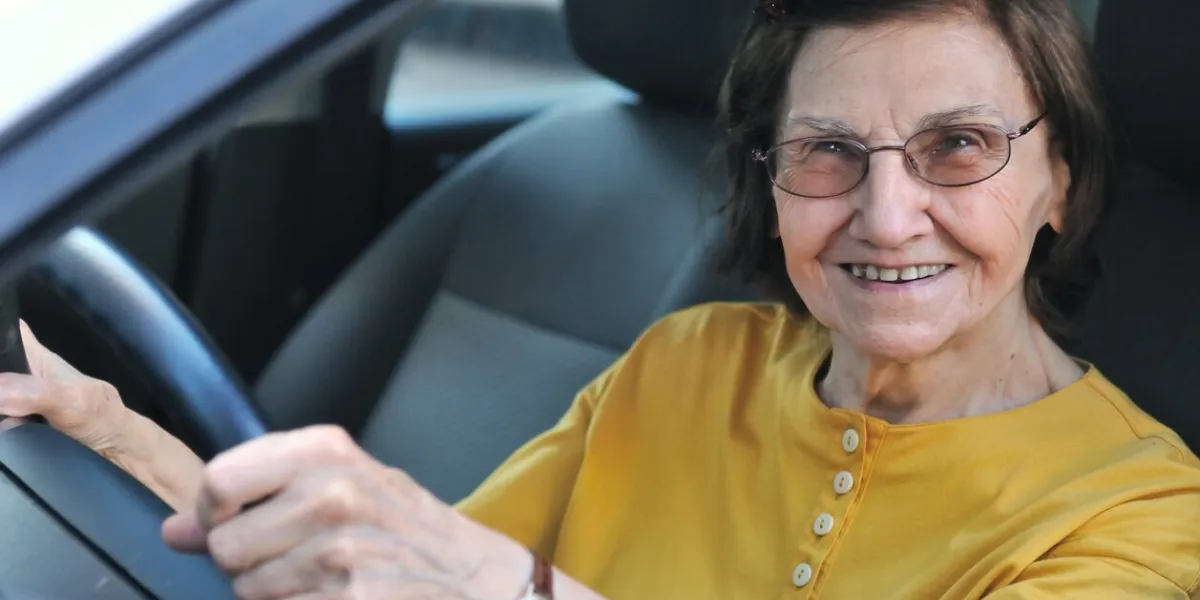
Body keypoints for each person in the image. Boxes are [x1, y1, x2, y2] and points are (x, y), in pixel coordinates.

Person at [3, 0, 1200, 597]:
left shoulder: (1144, 517)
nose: (887, 216)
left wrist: (495, 586)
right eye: (827, 152)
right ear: (771, 184)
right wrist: (108, 429)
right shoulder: (689, 364)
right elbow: (388, 567)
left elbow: (471, 580)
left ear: (1064, 181)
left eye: (959, 147)